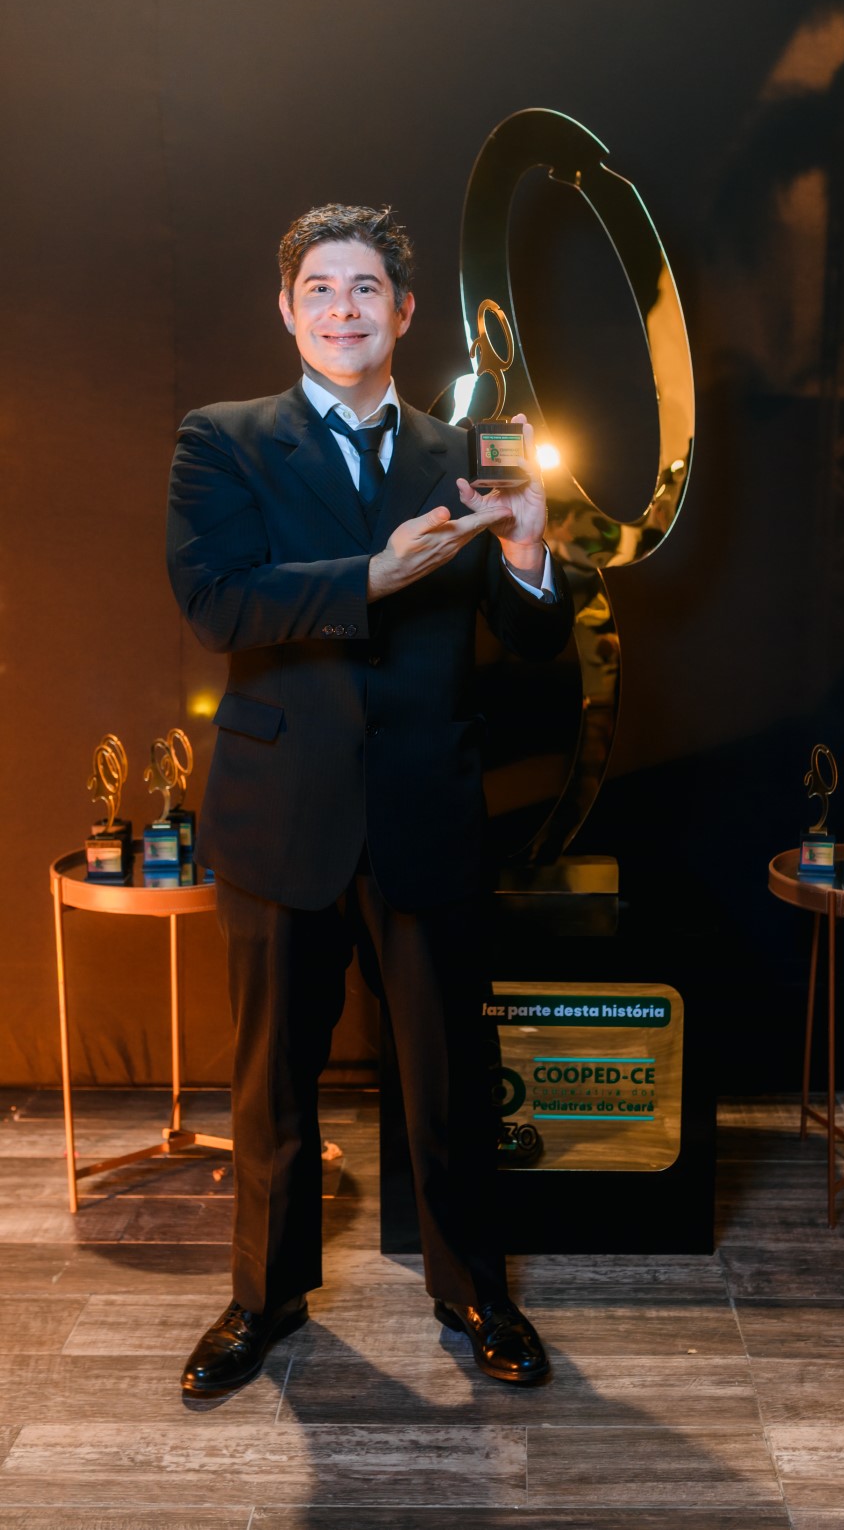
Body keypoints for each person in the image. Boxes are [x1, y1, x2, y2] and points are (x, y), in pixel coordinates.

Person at [166, 202, 572, 1396]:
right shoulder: (222, 440)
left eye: (366, 290)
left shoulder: (467, 451)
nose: (343, 309)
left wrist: (529, 554)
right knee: (272, 1086)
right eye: (321, 289)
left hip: (426, 808)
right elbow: (217, 603)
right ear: (288, 311)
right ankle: (263, 1298)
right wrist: (372, 576)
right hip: (279, 810)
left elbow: (533, 643)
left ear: (403, 313)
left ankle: (475, 1291)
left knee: (449, 1079)